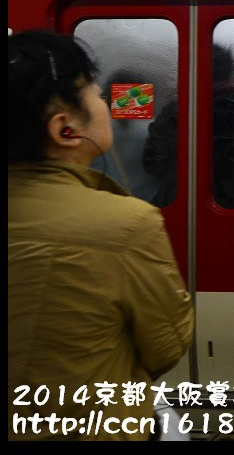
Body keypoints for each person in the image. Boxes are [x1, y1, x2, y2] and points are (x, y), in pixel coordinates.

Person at [8, 29, 194, 441]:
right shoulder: (128, 226)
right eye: (95, 94)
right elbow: (166, 347)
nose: (108, 105)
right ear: (65, 128)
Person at [143, 43, 234, 209]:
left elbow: (154, 163)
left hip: (179, 206)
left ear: (194, 70)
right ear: (229, 71)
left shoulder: (175, 110)